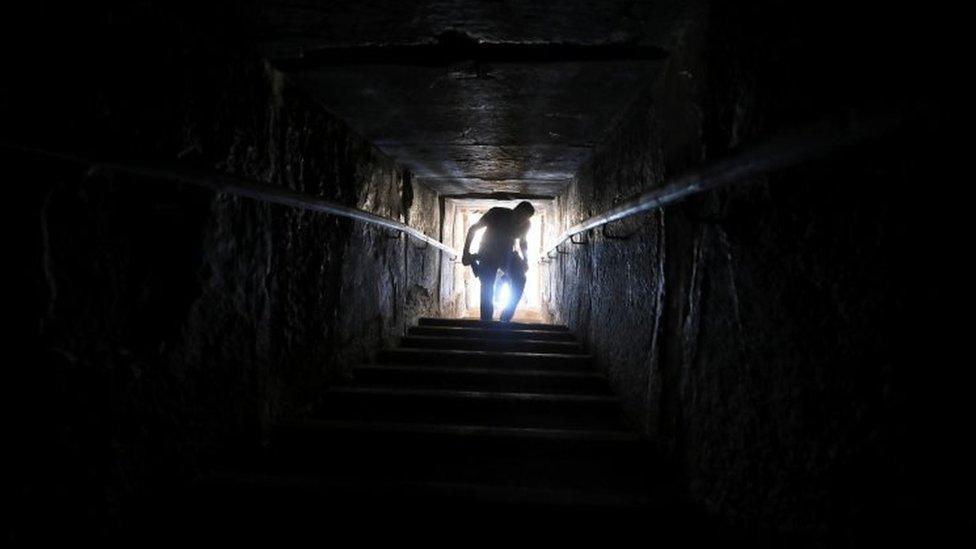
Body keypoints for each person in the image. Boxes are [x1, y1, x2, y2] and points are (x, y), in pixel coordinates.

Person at [461, 201, 535, 322]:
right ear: (515, 210)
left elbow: (523, 241)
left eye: (524, 218)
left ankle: (505, 317)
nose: (520, 221)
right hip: (487, 252)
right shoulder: (496, 213)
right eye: (520, 216)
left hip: (508, 254)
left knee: (520, 279)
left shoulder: (526, 224)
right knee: (487, 285)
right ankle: (486, 321)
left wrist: (526, 260)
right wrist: (465, 252)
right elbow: (473, 229)